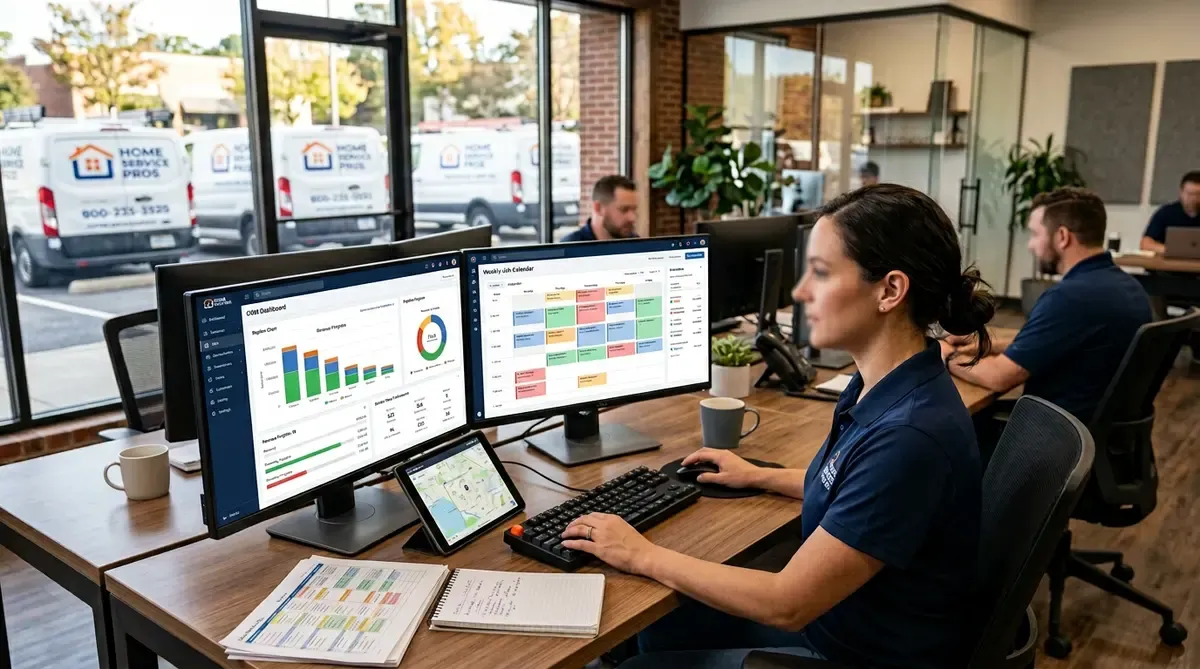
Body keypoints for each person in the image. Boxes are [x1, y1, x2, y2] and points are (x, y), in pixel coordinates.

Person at [561, 184, 994, 669]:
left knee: (641, 658)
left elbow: (786, 602)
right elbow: (853, 491)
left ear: (890, 290)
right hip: (844, 619)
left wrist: (639, 553)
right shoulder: (885, 385)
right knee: (662, 629)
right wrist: (758, 474)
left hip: (848, 649)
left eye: (821, 273)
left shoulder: (910, 437)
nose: (800, 291)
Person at [943, 187, 1152, 426]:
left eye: (1034, 234)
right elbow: (1053, 343)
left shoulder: (1070, 298)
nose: (1031, 246)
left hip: (1051, 440)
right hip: (1095, 432)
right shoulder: (1129, 287)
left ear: (1062, 236)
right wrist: (983, 345)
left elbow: (999, 376)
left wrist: (946, 357)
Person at [561, 175, 638, 242]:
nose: (633, 218)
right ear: (598, 208)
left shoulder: (637, 245)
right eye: (624, 209)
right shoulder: (571, 249)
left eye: (634, 209)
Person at [1140, 170, 1200, 254]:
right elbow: (1145, 244)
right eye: (1190, 194)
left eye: (1198, 194)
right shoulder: (1166, 212)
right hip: (1168, 265)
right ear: (1181, 193)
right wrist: (1174, 251)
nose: (1194, 199)